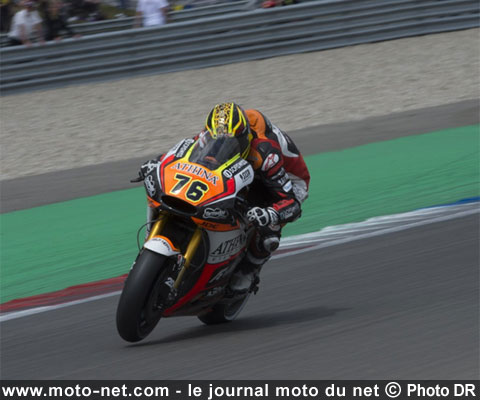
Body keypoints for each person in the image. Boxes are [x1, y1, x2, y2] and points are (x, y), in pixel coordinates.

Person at [140, 103, 310, 292]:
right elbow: (184, 153)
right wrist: (158, 163)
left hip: (285, 180)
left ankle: (249, 270)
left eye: (231, 143)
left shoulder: (265, 152)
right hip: (247, 164)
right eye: (215, 139)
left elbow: (291, 203)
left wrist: (271, 214)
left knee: (267, 230)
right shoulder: (214, 131)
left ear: (244, 138)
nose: (222, 145)